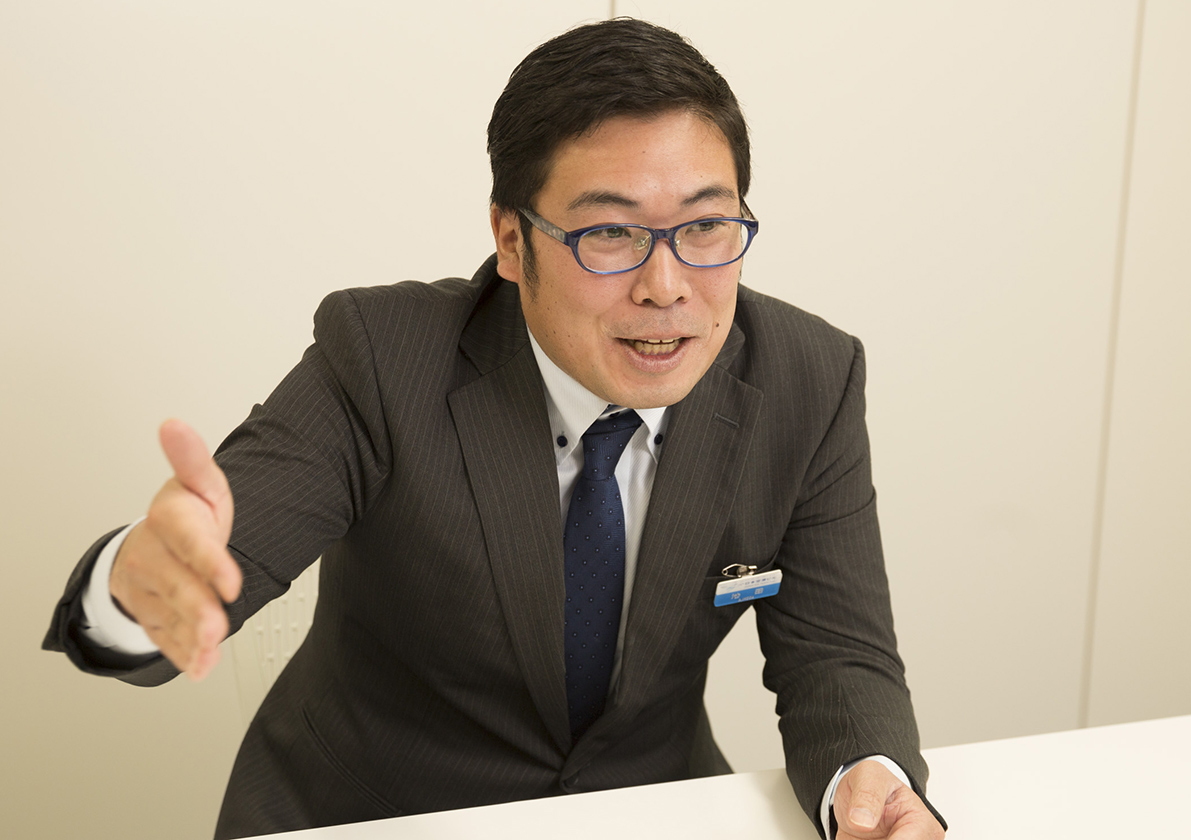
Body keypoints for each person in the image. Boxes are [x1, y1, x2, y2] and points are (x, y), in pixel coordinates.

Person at [44, 18, 946, 840]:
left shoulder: (808, 378)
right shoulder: (384, 357)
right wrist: (136, 585)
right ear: (512, 242)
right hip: (370, 817)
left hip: (646, 813)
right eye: (610, 233)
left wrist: (869, 782)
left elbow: (837, 655)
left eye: (707, 225)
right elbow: (211, 554)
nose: (666, 287)